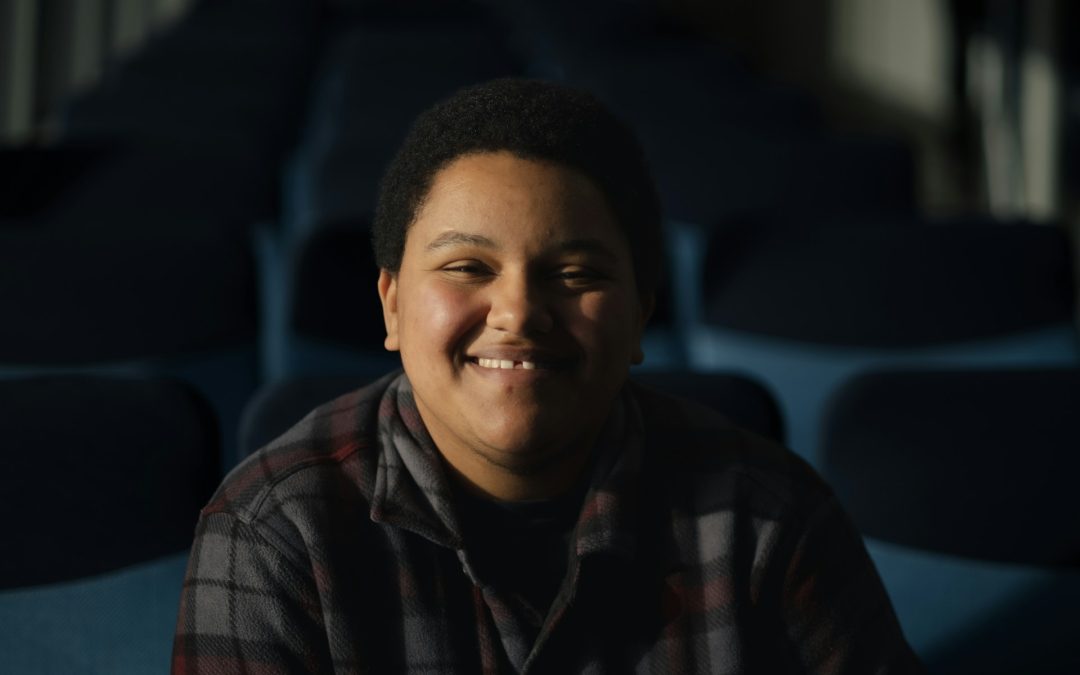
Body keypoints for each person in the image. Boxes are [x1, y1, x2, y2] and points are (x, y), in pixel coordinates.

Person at [172, 78, 922, 673]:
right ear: (393, 305)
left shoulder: (770, 517)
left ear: (639, 317)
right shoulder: (275, 534)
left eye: (574, 273)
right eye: (468, 267)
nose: (520, 312)